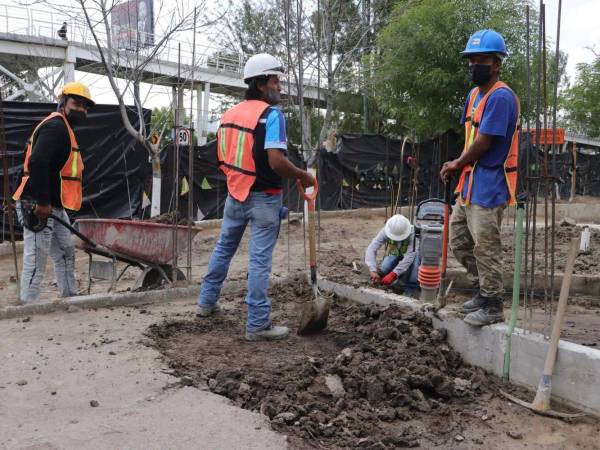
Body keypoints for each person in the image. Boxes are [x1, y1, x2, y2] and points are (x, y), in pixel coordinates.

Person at [197, 53, 316, 341]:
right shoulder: (271, 115)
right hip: (264, 197)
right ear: (262, 84)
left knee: (224, 248)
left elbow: (222, 156)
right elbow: (275, 160)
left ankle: (206, 303)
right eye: (276, 80)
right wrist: (303, 175)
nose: (279, 86)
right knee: (260, 260)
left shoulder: (229, 115)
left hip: (235, 194)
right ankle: (258, 324)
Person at [440, 29, 520, 326]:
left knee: (486, 245)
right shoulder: (474, 95)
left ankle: (493, 303)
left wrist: (456, 163)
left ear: (496, 63)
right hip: (470, 183)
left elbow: (484, 142)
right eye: (471, 60)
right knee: (460, 240)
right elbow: (470, 136)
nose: (474, 65)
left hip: (491, 183)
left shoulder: (501, 97)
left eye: (481, 60)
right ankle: (483, 289)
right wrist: (458, 166)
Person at [13, 81, 95, 302]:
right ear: (63, 102)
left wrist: (50, 203)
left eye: (85, 107)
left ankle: (69, 298)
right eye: (76, 104)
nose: (81, 110)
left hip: (54, 205)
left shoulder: (64, 128)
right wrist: (42, 202)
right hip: (37, 204)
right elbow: (37, 162)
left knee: (65, 253)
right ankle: (28, 306)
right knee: (37, 257)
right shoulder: (56, 127)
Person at [365, 214, 420, 293]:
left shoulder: (413, 234)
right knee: (385, 268)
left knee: (414, 273)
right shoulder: (385, 231)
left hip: (414, 255)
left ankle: (410, 289)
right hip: (396, 252)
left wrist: (394, 273)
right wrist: (372, 270)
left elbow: (409, 257)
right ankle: (380, 278)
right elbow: (371, 248)